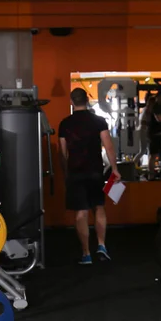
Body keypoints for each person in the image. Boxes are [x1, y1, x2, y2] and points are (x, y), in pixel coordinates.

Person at [59, 88, 121, 265]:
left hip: (75, 173)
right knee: (99, 207)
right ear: (86, 100)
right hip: (95, 171)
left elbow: (62, 154)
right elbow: (108, 147)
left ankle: (86, 253)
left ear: (71, 102)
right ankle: (101, 245)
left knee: (81, 213)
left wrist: (65, 174)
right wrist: (115, 169)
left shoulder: (65, 123)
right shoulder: (98, 121)